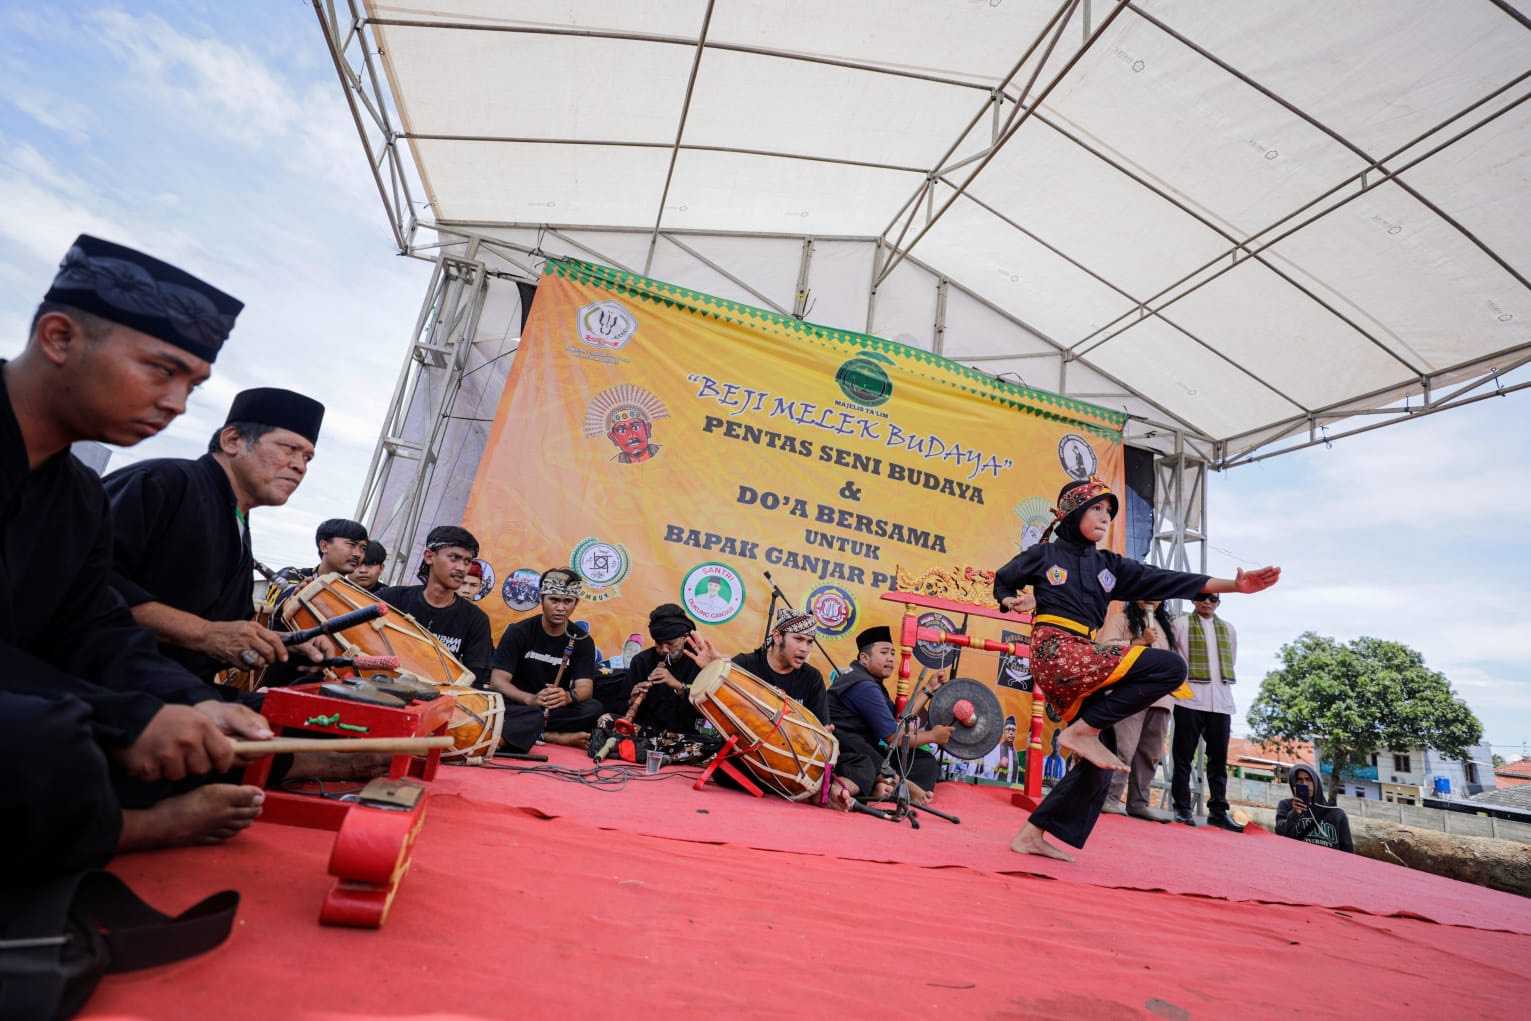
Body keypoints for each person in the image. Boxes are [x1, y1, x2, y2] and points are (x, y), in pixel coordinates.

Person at [2, 234, 272, 875]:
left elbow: (93, 627)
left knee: (203, 741)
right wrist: (131, 717)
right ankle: (126, 827)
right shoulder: (159, 483)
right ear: (60, 337)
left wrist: (187, 702)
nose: (177, 405)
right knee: (48, 742)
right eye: (161, 369)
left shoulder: (78, 497)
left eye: (193, 384)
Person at [993, 476, 1279, 861]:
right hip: (1055, 651)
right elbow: (1004, 579)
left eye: (1109, 512)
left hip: (1084, 656)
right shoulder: (1045, 555)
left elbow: (1168, 579)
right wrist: (1011, 598)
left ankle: (1032, 833)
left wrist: (1233, 585)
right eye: (1096, 508)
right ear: (1073, 510)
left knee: (1102, 760)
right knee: (1170, 667)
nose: (1104, 517)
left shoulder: (1107, 566)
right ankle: (1082, 731)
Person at [102, 387, 326, 684]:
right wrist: (203, 634)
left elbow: (223, 627)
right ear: (232, 440)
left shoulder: (238, 521)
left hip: (178, 690)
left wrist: (283, 643)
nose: (300, 466)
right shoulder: (162, 482)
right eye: (289, 449)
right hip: (98, 686)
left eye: (308, 458)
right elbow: (83, 581)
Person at [686, 607, 861, 807]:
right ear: (778, 637)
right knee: (725, 770)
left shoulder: (811, 678)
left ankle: (835, 791)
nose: (805, 648)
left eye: (810, 642)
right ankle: (821, 792)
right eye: (799, 639)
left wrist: (824, 732)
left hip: (801, 756)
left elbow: (822, 726)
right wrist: (714, 668)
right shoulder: (747, 665)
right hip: (755, 756)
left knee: (861, 759)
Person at [828, 625, 951, 805]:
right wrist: (933, 736)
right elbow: (895, 738)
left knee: (924, 762)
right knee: (871, 761)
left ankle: (887, 785)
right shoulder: (863, 685)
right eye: (884, 653)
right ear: (864, 658)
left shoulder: (869, 681)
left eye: (893, 654)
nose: (891, 659)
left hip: (865, 746)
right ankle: (896, 786)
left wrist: (929, 689)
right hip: (846, 749)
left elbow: (899, 720)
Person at [488, 567, 604, 745]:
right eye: (554, 600)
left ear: (576, 603)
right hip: (520, 704)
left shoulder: (582, 639)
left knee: (593, 708)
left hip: (554, 709)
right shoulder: (519, 632)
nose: (560, 608)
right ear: (541, 599)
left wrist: (566, 696)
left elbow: (585, 688)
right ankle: (549, 736)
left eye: (567, 601)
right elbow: (498, 681)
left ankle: (529, 731)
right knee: (491, 700)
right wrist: (530, 699)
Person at [375, 526, 492, 688]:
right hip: (382, 688)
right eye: (454, 558)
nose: (461, 568)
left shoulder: (476, 619)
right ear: (429, 556)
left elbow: (475, 679)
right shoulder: (390, 599)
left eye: (467, 561)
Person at [1096, 599, 1180, 823]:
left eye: (1158, 594)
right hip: (1130, 694)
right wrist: (1140, 641)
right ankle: (1109, 798)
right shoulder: (1121, 619)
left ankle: (1138, 802)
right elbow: (1104, 649)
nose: (1152, 598)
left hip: (1161, 698)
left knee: (1150, 753)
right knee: (1123, 748)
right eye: (1147, 592)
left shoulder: (1166, 628)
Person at [1170, 592, 1244, 831]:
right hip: (1189, 699)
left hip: (1220, 702)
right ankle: (1182, 808)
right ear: (1193, 600)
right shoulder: (1180, 624)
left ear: (1218, 602)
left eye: (1213, 599)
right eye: (1202, 598)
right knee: (1183, 757)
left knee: (1218, 760)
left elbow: (1230, 661)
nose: (1207, 602)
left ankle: (1218, 811)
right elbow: (1174, 657)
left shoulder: (1229, 629)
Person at [623, 604, 704, 734]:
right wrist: (632, 700)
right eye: (658, 643)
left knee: (709, 742)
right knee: (605, 720)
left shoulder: (699, 662)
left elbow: (705, 707)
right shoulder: (641, 661)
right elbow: (621, 704)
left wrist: (678, 686)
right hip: (647, 728)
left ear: (685, 638)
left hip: (684, 732)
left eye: (670, 644)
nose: (663, 650)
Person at [1274, 763, 1353, 853]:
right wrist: (1294, 814)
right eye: (1299, 780)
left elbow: (1348, 851)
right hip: (1298, 862)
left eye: (1308, 779)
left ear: (1315, 782)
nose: (1304, 784)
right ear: (1293, 784)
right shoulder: (1286, 805)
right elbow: (1280, 834)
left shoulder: (1336, 814)